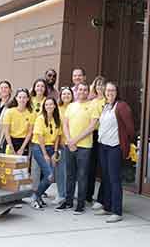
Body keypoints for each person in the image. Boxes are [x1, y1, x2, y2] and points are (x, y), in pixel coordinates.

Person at [55, 82, 99, 214]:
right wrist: (69, 140)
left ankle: (80, 204)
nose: (82, 92)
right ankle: (68, 202)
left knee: (82, 175)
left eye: (85, 90)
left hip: (84, 146)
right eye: (80, 89)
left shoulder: (93, 106)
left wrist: (75, 140)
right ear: (76, 91)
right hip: (70, 145)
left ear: (88, 92)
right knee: (70, 175)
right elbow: (65, 125)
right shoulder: (71, 106)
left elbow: (92, 127)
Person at [94, 82, 134, 223]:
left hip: (114, 147)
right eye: (108, 90)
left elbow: (130, 129)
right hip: (103, 146)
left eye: (113, 90)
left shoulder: (121, 106)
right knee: (106, 177)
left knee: (114, 179)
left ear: (117, 92)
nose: (110, 92)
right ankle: (107, 206)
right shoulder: (106, 106)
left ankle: (117, 211)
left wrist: (126, 143)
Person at [29, 97, 62, 210]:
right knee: (49, 175)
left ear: (54, 106)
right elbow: (39, 136)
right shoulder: (40, 119)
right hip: (39, 147)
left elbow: (58, 136)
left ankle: (37, 196)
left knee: (52, 176)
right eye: (46, 105)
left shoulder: (57, 119)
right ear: (44, 107)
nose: (49, 106)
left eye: (51, 104)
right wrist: (45, 154)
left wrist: (55, 152)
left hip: (51, 148)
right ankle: (35, 197)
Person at [86, 76, 107, 209]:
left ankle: (102, 199)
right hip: (91, 135)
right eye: (97, 85)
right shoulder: (91, 101)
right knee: (90, 167)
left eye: (102, 85)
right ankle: (88, 196)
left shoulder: (107, 101)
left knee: (104, 168)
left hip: (103, 135)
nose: (99, 87)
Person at [53, 86, 74, 205]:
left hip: (72, 143)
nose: (66, 96)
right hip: (60, 143)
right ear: (60, 96)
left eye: (68, 94)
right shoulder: (58, 108)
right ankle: (61, 194)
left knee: (70, 171)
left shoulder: (75, 107)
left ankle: (69, 194)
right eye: (64, 94)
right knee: (60, 171)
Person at [2, 88, 35, 155]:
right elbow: (6, 132)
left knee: (22, 165)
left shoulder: (31, 113)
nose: (22, 100)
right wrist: (11, 148)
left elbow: (29, 133)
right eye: (20, 97)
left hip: (23, 142)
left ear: (28, 99)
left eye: (24, 97)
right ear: (16, 98)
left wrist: (22, 148)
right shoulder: (9, 112)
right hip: (10, 141)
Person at [30, 78, 48, 192]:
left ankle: (39, 189)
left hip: (41, 136)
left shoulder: (47, 100)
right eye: (37, 86)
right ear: (34, 87)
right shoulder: (29, 100)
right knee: (30, 164)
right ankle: (31, 187)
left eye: (42, 86)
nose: (40, 88)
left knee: (40, 164)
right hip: (28, 135)